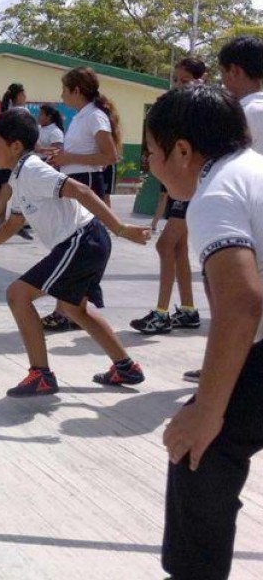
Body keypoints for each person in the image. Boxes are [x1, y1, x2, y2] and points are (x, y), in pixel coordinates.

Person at [147, 85, 263, 580]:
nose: (148, 167)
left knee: (198, 448)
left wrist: (206, 414)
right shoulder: (254, 169)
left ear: (182, 151)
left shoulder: (215, 192)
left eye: (150, 154)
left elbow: (241, 303)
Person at [0, 108, 150, 397]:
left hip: (81, 240)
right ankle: (125, 366)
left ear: (15, 146)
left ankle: (41, 376)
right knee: (74, 308)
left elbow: (81, 192)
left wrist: (121, 228)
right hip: (85, 241)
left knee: (17, 294)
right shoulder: (19, 177)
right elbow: (13, 223)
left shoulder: (33, 170)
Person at [181, 37, 263, 381]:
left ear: (235, 70)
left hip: (241, 219)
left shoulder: (246, 112)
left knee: (226, 292)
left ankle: (229, 368)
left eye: (224, 73)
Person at [42, 67, 121, 331]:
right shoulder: (81, 117)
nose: (62, 95)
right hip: (76, 181)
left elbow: (110, 156)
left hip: (87, 182)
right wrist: (62, 156)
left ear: (77, 90)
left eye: (65, 90)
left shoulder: (94, 117)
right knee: (71, 243)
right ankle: (69, 309)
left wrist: (70, 158)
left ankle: (67, 310)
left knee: (76, 244)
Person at [130, 57, 206, 335]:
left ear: (202, 79)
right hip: (178, 187)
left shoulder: (201, 111)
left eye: (184, 81)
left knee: (165, 245)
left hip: (192, 187)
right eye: (176, 80)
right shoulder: (178, 110)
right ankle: (187, 309)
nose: (178, 85)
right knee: (179, 249)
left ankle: (161, 314)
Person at [0, 83, 33, 240]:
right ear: (19, 96)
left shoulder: (5, 112)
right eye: (24, 94)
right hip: (14, 157)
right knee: (9, 191)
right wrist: (41, 149)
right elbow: (29, 134)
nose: (25, 97)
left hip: (3, 156)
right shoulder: (22, 112)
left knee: (4, 191)